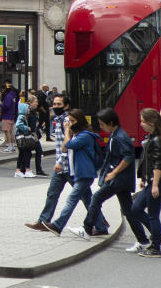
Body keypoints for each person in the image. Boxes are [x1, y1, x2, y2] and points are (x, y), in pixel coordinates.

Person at [72, 108, 127, 239]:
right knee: (130, 211)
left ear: (111, 122)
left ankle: (87, 228)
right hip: (118, 178)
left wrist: (113, 173)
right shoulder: (116, 135)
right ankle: (151, 238)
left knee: (95, 198)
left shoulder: (120, 137)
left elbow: (128, 157)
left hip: (118, 178)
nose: (101, 127)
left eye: (102, 124)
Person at [45, 110, 100, 235]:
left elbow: (65, 146)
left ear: (80, 121)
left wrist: (67, 131)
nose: (70, 123)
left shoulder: (84, 136)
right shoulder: (79, 135)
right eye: (69, 120)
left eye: (73, 121)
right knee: (89, 200)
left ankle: (58, 225)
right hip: (80, 173)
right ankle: (101, 226)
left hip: (84, 173)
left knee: (71, 199)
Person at [26, 93, 73, 232]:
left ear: (66, 106)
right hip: (60, 167)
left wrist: (61, 160)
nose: (56, 106)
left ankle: (100, 222)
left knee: (84, 195)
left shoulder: (68, 121)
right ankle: (44, 221)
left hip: (69, 166)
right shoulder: (58, 120)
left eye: (59, 104)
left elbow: (68, 145)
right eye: (54, 104)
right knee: (52, 193)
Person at [127, 107, 161, 257]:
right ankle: (157, 237)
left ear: (152, 122)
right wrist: (144, 179)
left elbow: (158, 164)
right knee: (136, 209)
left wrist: (154, 184)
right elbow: (149, 162)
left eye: (143, 121)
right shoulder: (153, 138)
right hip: (152, 181)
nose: (141, 124)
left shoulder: (157, 140)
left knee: (153, 215)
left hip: (157, 182)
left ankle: (155, 247)